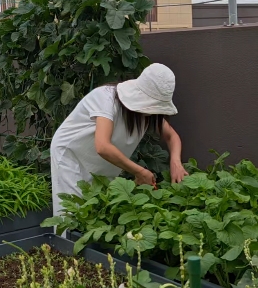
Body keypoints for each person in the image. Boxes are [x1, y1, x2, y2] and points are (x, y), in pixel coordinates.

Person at [50, 63, 188, 217]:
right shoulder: (106, 99)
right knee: (72, 215)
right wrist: (140, 172)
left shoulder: (149, 114)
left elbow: (172, 136)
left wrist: (176, 162)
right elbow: (102, 146)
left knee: (97, 211)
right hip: (72, 156)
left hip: (101, 163)